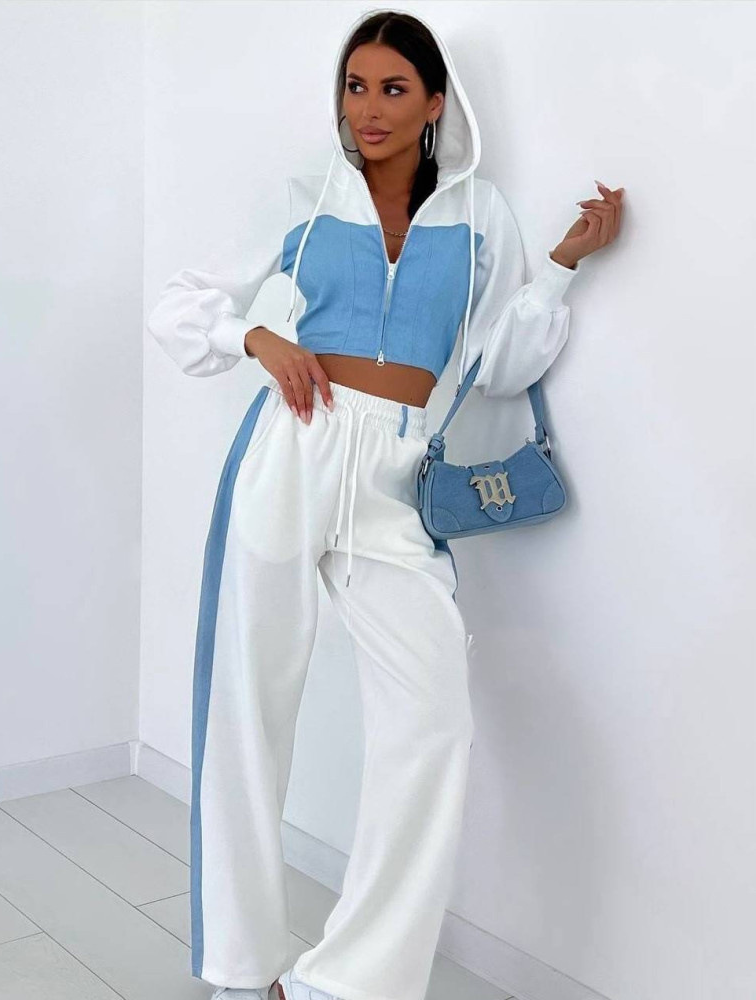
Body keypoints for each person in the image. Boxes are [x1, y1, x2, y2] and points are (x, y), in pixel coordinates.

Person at [146, 8, 623, 1000]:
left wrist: (564, 262)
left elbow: (499, 363)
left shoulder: (478, 214)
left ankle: (348, 980)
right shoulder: (306, 196)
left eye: (393, 89)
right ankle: (240, 969)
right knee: (246, 708)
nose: (368, 108)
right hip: (291, 448)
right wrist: (255, 340)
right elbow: (181, 304)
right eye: (355, 86)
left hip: (396, 475)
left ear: (435, 103)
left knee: (433, 717)